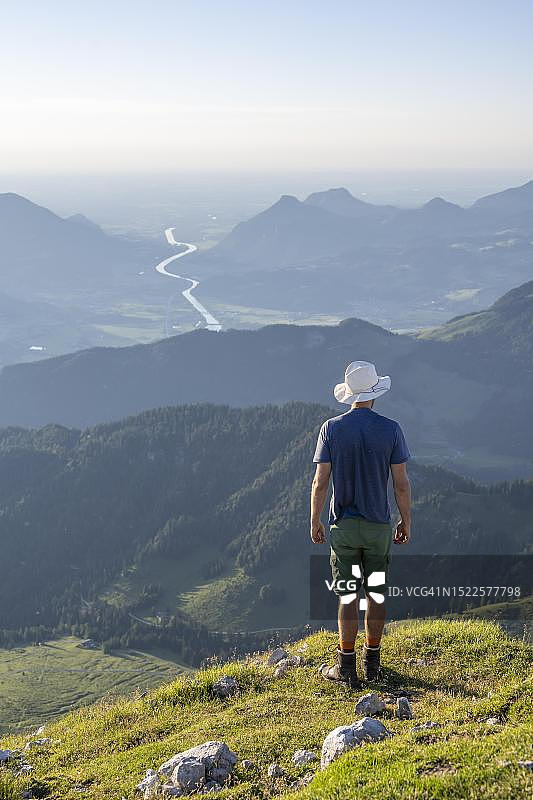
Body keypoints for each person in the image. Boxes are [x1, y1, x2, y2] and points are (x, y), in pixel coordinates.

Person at [310, 360, 411, 688]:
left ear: (349, 394)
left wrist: (315, 519)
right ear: (375, 393)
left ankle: (347, 668)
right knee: (377, 593)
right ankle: (374, 663)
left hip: (345, 528)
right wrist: (405, 520)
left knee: (349, 594)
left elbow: (320, 482)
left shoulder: (331, 428)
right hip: (378, 528)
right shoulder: (391, 429)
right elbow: (401, 483)